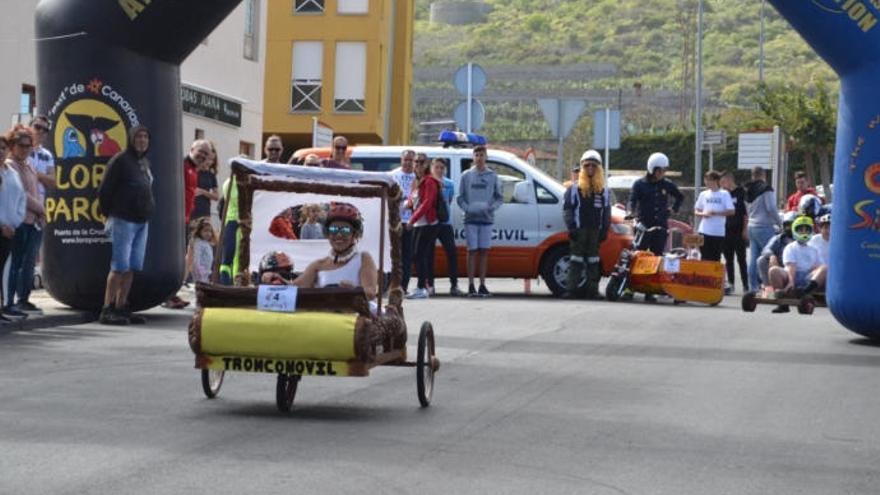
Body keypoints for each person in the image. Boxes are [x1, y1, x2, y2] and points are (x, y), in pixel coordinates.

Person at [96, 126, 154, 325]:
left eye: (145, 136)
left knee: (132, 266)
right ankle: (107, 308)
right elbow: (104, 190)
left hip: (141, 221)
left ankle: (122, 307)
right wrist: (108, 214)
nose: (142, 140)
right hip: (123, 219)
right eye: (138, 136)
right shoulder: (120, 160)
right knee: (119, 265)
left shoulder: (143, 162)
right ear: (131, 139)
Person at [293, 203, 379, 302]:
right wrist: (277, 280)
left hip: (359, 314)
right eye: (333, 229)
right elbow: (294, 287)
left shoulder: (363, 258)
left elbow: (371, 292)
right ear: (328, 234)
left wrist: (354, 290)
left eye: (345, 230)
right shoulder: (318, 265)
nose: (338, 234)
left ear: (354, 235)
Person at [4, 125, 44, 319]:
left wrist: (40, 214)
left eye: (29, 145)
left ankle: (23, 298)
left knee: (27, 263)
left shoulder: (29, 165)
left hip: (33, 221)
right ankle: (9, 301)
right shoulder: (10, 166)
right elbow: (23, 196)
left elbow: (36, 191)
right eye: (21, 145)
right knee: (15, 264)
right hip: (19, 221)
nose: (26, 149)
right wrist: (41, 209)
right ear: (12, 146)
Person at [562, 150, 611, 299]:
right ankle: (571, 290)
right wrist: (571, 227)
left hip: (595, 231)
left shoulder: (604, 191)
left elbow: (606, 212)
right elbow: (567, 210)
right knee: (575, 260)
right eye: (587, 165)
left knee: (593, 261)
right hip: (579, 230)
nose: (590, 168)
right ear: (583, 167)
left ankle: (593, 291)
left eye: (594, 165)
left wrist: (604, 230)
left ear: (599, 168)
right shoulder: (574, 189)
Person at [457, 144, 503, 297]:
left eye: (481, 155)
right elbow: (460, 197)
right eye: (476, 155)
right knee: (472, 251)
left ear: (486, 157)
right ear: (473, 157)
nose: (479, 158)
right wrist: (467, 208)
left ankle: (482, 284)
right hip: (470, 219)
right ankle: (470, 284)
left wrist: (491, 208)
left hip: (486, 219)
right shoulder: (466, 175)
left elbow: (499, 197)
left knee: (484, 252)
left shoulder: (493, 176)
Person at [628, 152, 684, 256]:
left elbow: (680, 196)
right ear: (652, 169)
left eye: (664, 170)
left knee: (658, 255)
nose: (662, 173)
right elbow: (632, 200)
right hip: (644, 225)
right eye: (659, 170)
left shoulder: (667, 184)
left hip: (660, 225)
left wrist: (673, 209)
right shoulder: (639, 184)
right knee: (639, 254)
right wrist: (631, 212)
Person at [768, 215, 826, 313]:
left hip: (807, 278)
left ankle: (805, 292)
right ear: (795, 231)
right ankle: (782, 304)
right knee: (773, 270)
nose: (804, 232)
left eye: (806, 230)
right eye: (801, 230)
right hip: (791, 276)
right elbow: (791, 267)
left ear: (811, 231)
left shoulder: (814, 249)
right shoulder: (790, 247)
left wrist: (816, 270)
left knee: (824, 268)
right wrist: (791, 282)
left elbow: (818, 266)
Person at [406, 153, 441, 299]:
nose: (418, 165)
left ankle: (422, 287)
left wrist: (412, 220)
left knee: (419, 255)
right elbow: (412, 200)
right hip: (419, 224)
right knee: (417, 256)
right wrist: (405, 205)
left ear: (426, 165)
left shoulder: (429, 181)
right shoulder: (417, 181)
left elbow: (427, 203)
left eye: (421, 162)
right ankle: (423, 286)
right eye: (416, 162)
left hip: (427, 223)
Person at [0, 135, 26, 323]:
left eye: (3, 148)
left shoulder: (12, 173)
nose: (1, 151)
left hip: (10, 230)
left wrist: (15, 222)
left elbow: (21, 200)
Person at [744, 166, 782, 293]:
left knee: (754, 257)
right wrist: (780, 223)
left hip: (751, 225)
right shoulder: (766, 188)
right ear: (763, 175)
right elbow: (771, 207)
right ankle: (770, 286)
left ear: (752, 175)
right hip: (764, 226)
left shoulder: (747, 188)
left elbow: (746, 209)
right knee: (770, 255)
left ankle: (753, 287)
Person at [429, 157, 463, 296]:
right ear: (432, 168)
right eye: (436, 167)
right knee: (428, 254)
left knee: (452, 253)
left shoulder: (449, 184)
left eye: (442, 168)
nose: (439, 170)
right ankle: (430, 285)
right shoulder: (428, 182)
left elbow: (448, 201)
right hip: (431, 223)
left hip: (445, 223)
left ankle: (454, 285)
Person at [693, 170, 734, 262]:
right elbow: (696, 210)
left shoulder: (724, 194)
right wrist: (703, 214)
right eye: (705, 180)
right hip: (703, 231)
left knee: (715, 258)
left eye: (709, 180)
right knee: (704, 257)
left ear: (716, 181)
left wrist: (716, 213)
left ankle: (715, 276)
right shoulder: (703, 194)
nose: (707, 182)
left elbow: (731, 211)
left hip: (718, 232)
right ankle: (704, 276)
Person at [391, 150, 417, 292]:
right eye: (405, 159)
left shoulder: (417, 177)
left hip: (410, 221)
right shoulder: (393, 175)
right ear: (401, 160)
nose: (408, 162)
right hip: (395, 221)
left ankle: (404, 286)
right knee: (394, 255)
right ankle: (392, 284)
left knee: (407, 255)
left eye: (410, 160)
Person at [720, 170, 748, 294]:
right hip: (726, 231)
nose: (721, 185)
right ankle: (730, 284)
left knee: (741, 259)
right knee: (728, 259)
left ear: (729, 180)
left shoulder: (741, 193)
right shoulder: (723, 194)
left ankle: (746, 285)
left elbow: (745, 214)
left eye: (723, 182)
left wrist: (745, 229)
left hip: (738, 230)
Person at [757, 211, 797, 295]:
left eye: (791, 225)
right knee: (761, 260)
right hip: (780, 266)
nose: (788, 228)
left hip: (794, 268)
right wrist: (772, 256)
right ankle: (768, 287)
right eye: (787, 225)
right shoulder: (779, 238)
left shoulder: (801, 238)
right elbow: (766, 249)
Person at [190, 140, 219, 222]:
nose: (209, 162)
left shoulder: (211, 174)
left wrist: (203, 192)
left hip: (205, 213)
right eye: (208, 159)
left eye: (212, 160)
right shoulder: (192, 170)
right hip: (191, 211)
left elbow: (216, 196)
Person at [187, 217, 217, 284]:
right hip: (200, 274)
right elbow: (196, 259)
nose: (208, 233)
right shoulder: (198, 243)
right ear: (199, 231)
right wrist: (200, 272)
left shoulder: (206, 243)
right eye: (205, 231)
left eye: (210, 231)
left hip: (205, 274)